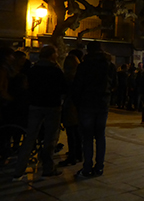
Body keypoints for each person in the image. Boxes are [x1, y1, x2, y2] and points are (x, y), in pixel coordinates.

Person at [12, 45, 66, 180]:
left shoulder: (33, 70)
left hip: (35, 105)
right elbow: (63, 88)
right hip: (52, 106)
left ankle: (19, 170)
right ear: (52, 55)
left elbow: (27, 87)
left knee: (30, 137)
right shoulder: (56, 70)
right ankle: (48, 168)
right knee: (50, 138)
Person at [73, 41, 117, 178]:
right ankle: (99, 167)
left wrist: (77, 103)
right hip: (102, 103)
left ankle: (87, 167)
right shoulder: (109, 65)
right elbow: (115, 84)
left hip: (86, 103)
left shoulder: (84, 65)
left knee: (87, 137)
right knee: (100, 136)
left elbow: (77, 86)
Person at [58, 52, 82, 167]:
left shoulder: (67, 78)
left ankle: (72, 156)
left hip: (70, 106)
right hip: (79, 106)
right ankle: (79, 153)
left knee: (71, 132)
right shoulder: (80, 76)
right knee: (77, 132)